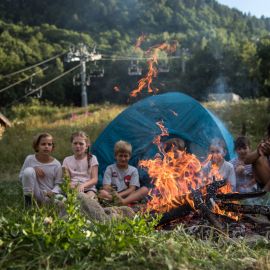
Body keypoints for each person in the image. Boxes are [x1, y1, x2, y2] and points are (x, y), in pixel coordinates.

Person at [19, 132, 62, 207]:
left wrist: (53, 192)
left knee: (62, 201)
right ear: (37, 146)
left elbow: (59, 183)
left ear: (52, 147)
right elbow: (21, 177)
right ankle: (28, 204)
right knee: (28, 171)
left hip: (49, 195)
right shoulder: (30, 159)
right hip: (35, 193)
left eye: (49, 144)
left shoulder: (56, 164)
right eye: (43, 144)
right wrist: (33, 169)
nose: (46, 147)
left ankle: (54, 214)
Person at [99, 140, 145, 205]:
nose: (123, 159)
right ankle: (121, 202)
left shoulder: (133, 170)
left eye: (125, 156)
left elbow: (132, 189)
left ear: (130, 156)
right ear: (115, 156)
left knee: (144, 190)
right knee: (102, 193)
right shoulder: (110, 168)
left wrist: (117, 196)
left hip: (127, 195)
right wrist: (115, 195)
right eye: (120, 156)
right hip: (113, 194)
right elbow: (106, 186)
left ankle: (122, 202)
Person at [62, 131, 98, 199]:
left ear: (87, 146)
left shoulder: (92, 158)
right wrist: (74, 187)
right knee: (74, 200)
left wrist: (83, 185)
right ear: (71, 144)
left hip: (88, 189)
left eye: (81, 144)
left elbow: (94, 179)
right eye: (75, 143)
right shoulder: (66, 160)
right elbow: (66, 180)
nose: (77, 146)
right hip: (73, 189)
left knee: (89, 200)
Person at [244, 123, 270, 191]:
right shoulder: (266, 144)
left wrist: (264, 192)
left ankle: (264, 194)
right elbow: (246, 161)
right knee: (258, 158)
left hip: (266, 188)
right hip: (264, 182)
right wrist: (259, 151)